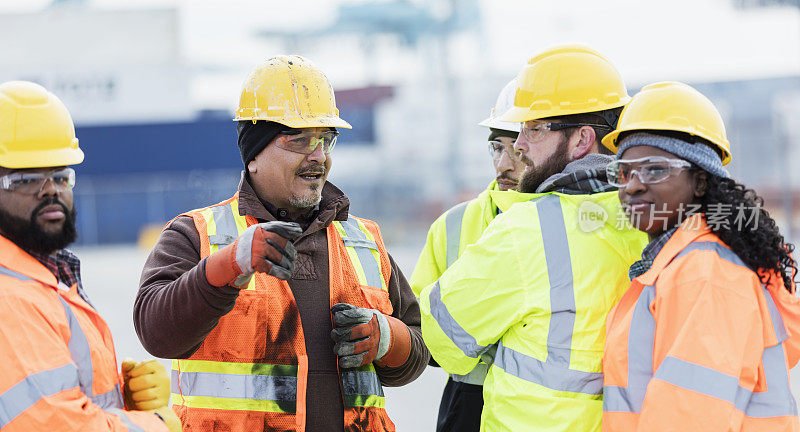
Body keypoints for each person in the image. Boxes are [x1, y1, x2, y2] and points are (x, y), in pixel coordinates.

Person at [134, 55, 429, 432]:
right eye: (300, 141)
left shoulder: (364, 241)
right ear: (253, 155)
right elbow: (156, 333)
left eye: (325, 140)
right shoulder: (196, 234)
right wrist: (229, 266)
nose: (318, 157)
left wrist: (388, 338)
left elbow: (418, 350)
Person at [418, 44, 649, 432]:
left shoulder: (526, 228)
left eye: (534, 128)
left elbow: (441, 337)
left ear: (581, 140)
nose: (520, 144)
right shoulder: (654, 222)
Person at [602, 81, 800, 431]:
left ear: (701, 182)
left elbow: (689, 417)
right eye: (624, 172)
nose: (632, 185)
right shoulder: (676, 264)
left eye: (655, 169)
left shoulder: (705, 273)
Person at [0, 81, 180, 432]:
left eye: (60, 175)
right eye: (24, 179)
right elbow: (56, 425)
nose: (49, 189)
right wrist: (155, 424)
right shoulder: (9, 296)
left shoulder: (43, 278)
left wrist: (121, 400)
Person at [409, 77, 531, 432]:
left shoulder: (574, 223)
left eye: (517, 150)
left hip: (541, 407)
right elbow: (418, 323)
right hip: (468, 402)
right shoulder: (453, 224)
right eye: (497, 147)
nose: (503, 165)